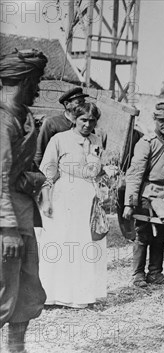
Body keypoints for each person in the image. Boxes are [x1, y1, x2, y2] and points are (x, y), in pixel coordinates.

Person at [0, 48, 57, 353]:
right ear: (21, 80)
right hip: (6, 219)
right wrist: (6, 228)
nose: (38, 89)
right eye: (35, 81)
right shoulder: (3, 121)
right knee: (3, 288)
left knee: (26, 285)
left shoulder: (22, 118)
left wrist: (32, 178)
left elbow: (21, 170)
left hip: (22, 213)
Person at [37, 102, 108, 308]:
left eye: (92, 121)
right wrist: (47, 200)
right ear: (74, 119)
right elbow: (47, 174)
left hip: (88, 198)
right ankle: (53, 295)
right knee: (61, 244)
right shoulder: (60, 139)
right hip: (64, 196)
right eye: (83, 120)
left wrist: (105, 173)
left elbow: (95, 170)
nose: (87, 124)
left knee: (85, 245)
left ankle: (80, 296)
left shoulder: (96, 140)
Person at [123, 103, 164, 287]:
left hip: (163, 198)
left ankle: (155, 272)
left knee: (162, 234)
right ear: (154, 119)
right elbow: (135, 173)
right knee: (143, 234)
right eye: (161, 120)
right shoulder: (146, 143)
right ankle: (138, 274)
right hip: (146, 196)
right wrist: (130, 203)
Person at [34, 87, 88, 166]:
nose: (83, 106)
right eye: (79, 102)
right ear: (67, 104)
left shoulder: (86, 124)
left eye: (84, 102)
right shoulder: (52, 123)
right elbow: (40, 153)